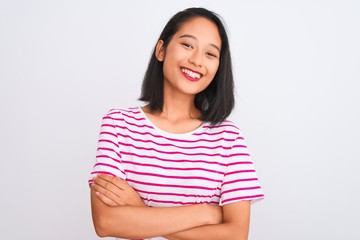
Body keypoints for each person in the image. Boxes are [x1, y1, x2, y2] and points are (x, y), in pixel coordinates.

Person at [89, 7, 264, 240]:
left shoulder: (228, 138)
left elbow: (235, 234)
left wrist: (141, 211)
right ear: (161, 50)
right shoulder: (118, 124)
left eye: (210, 54)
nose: (196, 60)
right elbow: (106, 222)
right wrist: (206, 213)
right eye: (188, 45)